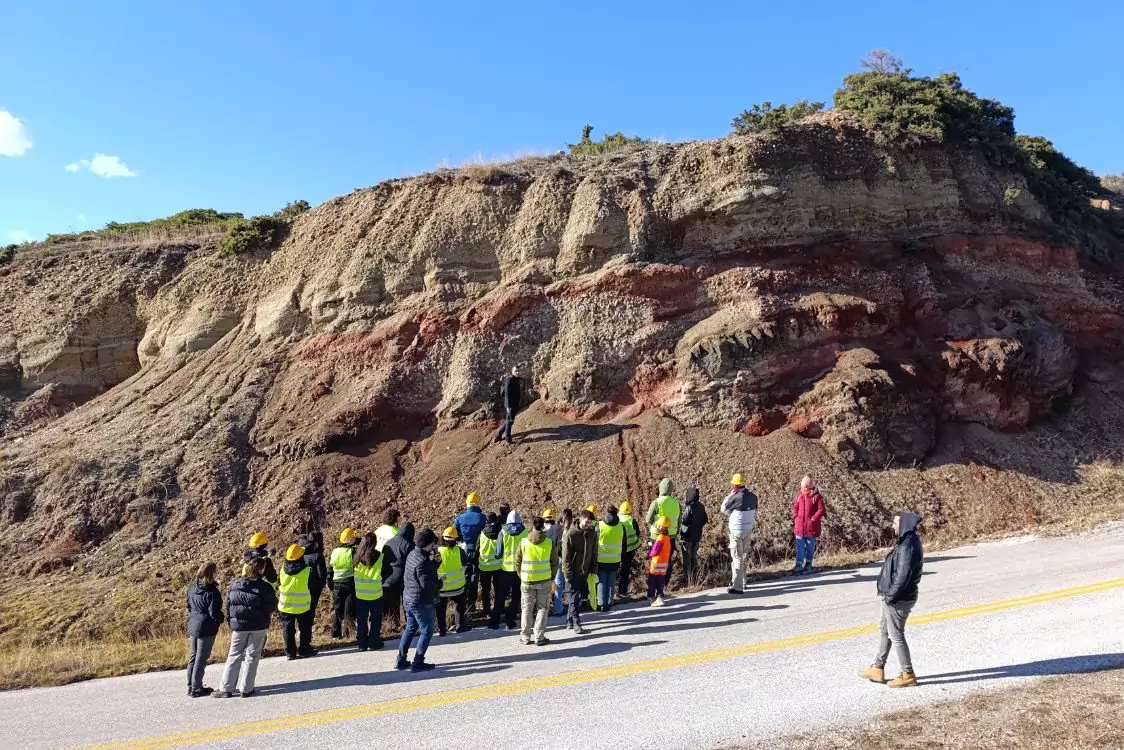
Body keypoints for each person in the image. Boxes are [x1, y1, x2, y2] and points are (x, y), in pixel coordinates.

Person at [859, 512, 924, 688]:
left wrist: (890, 597)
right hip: (894, 596)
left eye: (896, 522)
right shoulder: (905, 541)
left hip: (899, 598)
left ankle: (908, 673)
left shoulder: (908, 546)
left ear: (904, 525)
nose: (893, 525)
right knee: (885, 630)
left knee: (896, 635)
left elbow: (903, 576)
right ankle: (877, 668)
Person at [214, 558, 276, 698]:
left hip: (239, 626)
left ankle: (226, 688)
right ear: (261, 571)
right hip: (258, 626)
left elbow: (228, 606)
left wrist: (231, 621)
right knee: (252, 656)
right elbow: (271, 607)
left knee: (234, 655)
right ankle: (246, 689)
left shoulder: (235, 585)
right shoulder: (266, 588)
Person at [396, 528, 441, 673]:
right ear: (428, 544)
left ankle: (401, 660)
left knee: (410, 628)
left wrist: (435, 562)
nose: (434, 546)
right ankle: (418, 662)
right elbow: (426, 585)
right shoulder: (423, 561)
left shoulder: (413, 554)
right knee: (427, 631)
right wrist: (440, 584)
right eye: (433, 543)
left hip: (408, 598)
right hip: (420, 601)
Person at [515, 517, 559, 646]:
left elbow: (517, 561)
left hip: (527, 580)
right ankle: (539, 637)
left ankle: (525, 637)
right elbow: (555, 562)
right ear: (543, 527)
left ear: (532, 526)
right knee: (542, 608)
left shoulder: (523, 542)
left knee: (526, 609)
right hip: (544, 580)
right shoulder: (549, 542)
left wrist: (521, 575)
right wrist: (552, 576)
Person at [186, 562, 223, 697]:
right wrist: (221, 619)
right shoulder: (212, 592)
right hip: (206, 628)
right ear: (212, 574)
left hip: (194, 625)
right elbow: (214, 612)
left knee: (194, 656)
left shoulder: (192, 588)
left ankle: (191, 685)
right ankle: (197, 688)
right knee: (201, 658)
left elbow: (188, 606)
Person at [721, 473, 758, 595]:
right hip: (748, 530)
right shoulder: (753, 497)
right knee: (743, 556)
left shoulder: (736, 497)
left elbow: (723, 509)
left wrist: (730, 495)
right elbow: (755, 511)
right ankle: (743, 582)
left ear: (735, 485)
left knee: (736, 557)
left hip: (736, 531)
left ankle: (737, 587)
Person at [277, 543, 316, 660]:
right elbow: (312, 586)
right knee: (304, 629)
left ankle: (290, 653)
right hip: (302, 606)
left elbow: (279, 583)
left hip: (285, 605)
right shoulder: (307, 570)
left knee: (288, 630)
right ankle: (304, 650)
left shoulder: (282, 569)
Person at [490, 510, 528, 630]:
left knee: (501, 596)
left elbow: (498, 552)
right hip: (520, 570)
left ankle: (494, 622)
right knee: (516, 597)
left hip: (505, 570)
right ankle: (510, 622)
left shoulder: (503, 532)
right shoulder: (525, 532)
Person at [562, 509, 597, 634]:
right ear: (580, 519)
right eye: (587, 521)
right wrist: (567, 573)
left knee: (577, 596)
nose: (589, 524)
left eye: (590, 522)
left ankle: (569, 620)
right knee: (574, 597)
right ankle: (577, 622)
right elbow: (566, 556)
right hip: (573, 571)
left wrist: (593, 568)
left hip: (585, 570)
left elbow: (594, 551)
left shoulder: (592, 533)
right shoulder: (571, 534)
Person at [646, 479, 682, 588]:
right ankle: (664, 584)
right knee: (667, 560)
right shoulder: (677, 503)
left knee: (654, 560)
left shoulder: (656, 502)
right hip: (671, 537)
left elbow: (648, 519)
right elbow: (679, 520)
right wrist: (675, 532)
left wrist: (656, 521)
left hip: (656, 536)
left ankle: (653, 585)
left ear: (661, 488)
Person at [436, 527, 472, 636]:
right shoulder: (459, 551)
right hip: (458, 587)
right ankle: (460, 626)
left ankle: (442, 630)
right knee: (459, 605)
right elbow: (465, 562)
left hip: (442, 588)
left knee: (441, 609)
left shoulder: (437, 552)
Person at [353, 532, 385, 651]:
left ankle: (362, 643)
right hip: (376, 593)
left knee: (361, 619)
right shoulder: (380, 557)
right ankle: (373, 641)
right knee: (376, 619)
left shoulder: (356, 557)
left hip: (360, 594)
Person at [455, 492, 487, 611]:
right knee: (474, 578)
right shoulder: (483, 518)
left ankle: (462, 605)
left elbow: (454, 534)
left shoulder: (460, 518)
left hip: (463, 551)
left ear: (467, 504)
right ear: (478, 503)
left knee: (463, 578)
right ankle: (471, 605)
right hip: (479, 551)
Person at [382, 522, 416, 631]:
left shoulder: (388, 543)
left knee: (392, 604)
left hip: (388, 578)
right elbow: (412, 562)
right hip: (403, 577)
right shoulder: (409, 543)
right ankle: (409, 624)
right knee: (407, 601)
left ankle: (393, 626)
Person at [328, 527, 359, 640]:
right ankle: (349, 634)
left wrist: (330, 584)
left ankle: (335, 633)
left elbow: (330, 570)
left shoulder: (334, 551)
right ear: (350, 540)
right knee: (349, 610)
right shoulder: (352, 551)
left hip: (337, 584)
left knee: (337, 610)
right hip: (350, 584)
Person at [793, 476, 826, 574]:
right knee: (799, 547)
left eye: (805, 488)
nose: (803, 489)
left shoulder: (817, 497)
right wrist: (795, 516)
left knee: (810, 547)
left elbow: (821, 510)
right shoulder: (799, 495)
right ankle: (798, 564)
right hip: (800, 527)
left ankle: (808, 563)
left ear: (810, 487)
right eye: (802, 487)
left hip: (811, 528)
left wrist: (814, 519)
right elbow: (795, 507)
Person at [299, 531, 328, 639]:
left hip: (301, 586)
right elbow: (322, 574)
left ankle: (302, 637)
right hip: (313, 588)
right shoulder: (317, 555)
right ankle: (306, 640)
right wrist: (320, 586)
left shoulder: (300, 551)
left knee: (302, 613)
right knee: (310, 613)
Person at [595, 505, 624, 612]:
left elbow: (594, 541)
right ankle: (610, 602)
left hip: (601, 559)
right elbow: (624, 544)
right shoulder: (621, 526)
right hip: (615, 559)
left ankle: (601, 604)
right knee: (611, 582)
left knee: (601, 582)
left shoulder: (600, 525)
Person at [679, 488, 709, 587]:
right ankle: (696, 578)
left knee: (687, 558)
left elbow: (683, 520)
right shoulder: (701, 506)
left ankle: (688, 580)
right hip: (697, 536)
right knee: (694, 557)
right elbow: (705, 520)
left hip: (687, 536)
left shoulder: (689, 507)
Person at [477, 513, 503, 617]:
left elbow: (477, 548)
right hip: (498, 566)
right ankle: (498, 610)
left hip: (484, 566)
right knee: (498, 590)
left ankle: (487, 611)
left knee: (485, 591)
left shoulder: (482, 534)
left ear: (486, 521)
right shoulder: (501, 533)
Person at [541, 508, 565, 616]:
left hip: (544, 562)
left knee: (544, 586)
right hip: (558, 560)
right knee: (558, 585)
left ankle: (543, 609)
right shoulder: (558, 528)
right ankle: (558, 609)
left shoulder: (539, 530)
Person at [617, 501, 642, 599]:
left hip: (618, 550)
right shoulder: (632, 520)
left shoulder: (617, 520)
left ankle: (613, 590)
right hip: (630, 550)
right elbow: (638, 534)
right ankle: (622, 591)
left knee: (617, 569)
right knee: (625, 570)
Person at [493, 365, 522, 444]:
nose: (518, 372)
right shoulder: (510, 380)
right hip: (510, 405)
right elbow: (507, 395)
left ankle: (498, 435)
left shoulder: (516, 379)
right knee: (509, 421)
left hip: (514, 404)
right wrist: (508, 406)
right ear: (512, 372)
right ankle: (508, 439)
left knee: (509, 420)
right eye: (516, 371)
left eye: (519, 371)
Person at [648, 517, 672, 607]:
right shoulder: (667, 538)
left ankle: (651, 597)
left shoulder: (660, 538)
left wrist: (648, 555)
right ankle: (659, 597)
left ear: (660, 527)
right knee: (660, 582)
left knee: (652, 582)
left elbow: (655, 551)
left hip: (656, 564)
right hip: (664, 565)